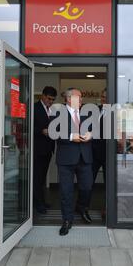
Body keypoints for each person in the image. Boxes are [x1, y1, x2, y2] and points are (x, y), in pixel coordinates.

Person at [55, 88, 93, 236]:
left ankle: (82, 208)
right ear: (69, 99)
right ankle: (67, 220)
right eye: (79, 97)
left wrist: (91, 134)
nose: (81, 100)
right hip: (66, 159)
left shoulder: (87, 113)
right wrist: (72, 136)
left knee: (87, 187)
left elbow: (94, 129)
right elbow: (55, 132)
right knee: (66, 191)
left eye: (82, 97)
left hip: (85, 157)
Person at [80, 88, 107, 221]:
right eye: (102, 96)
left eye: (106, 96)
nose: (103, 98)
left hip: (109, 154)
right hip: (93, 153)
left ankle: (108, 210)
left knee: (109, 184)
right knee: (87, 183)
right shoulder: (95, 110)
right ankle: (83, 208)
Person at [33, 86, 57, 214]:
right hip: (37, 149)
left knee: (41, 178)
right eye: (49, 99)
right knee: (37, 178)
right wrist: (41, 131)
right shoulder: (34, 108)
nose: (51, 101)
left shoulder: (52, 110)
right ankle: (38, 204)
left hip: (48, 149)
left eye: (53, 99)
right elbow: (28, 127)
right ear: (42, 96)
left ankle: (40, 201)